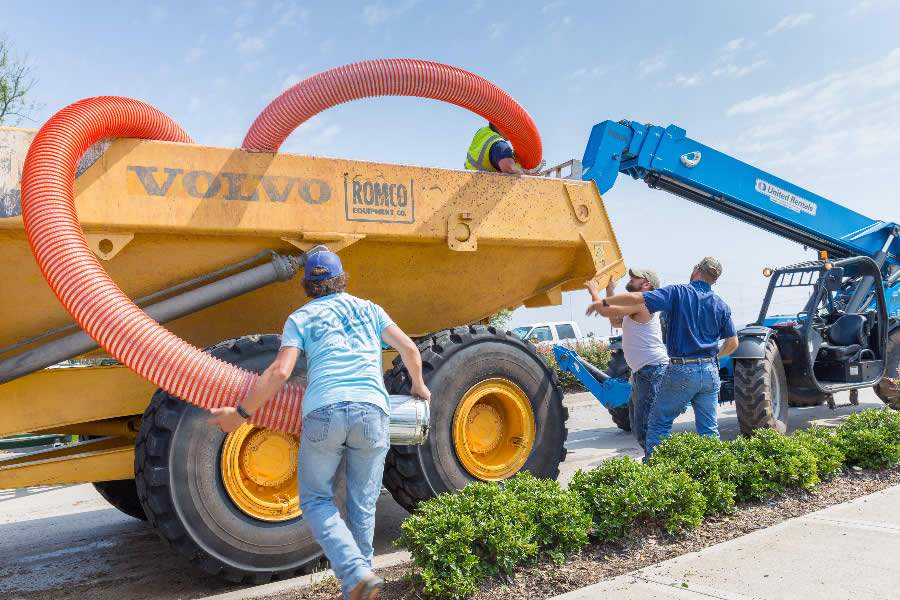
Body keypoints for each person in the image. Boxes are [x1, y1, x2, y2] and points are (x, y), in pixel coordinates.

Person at [208, 249, 430, 600]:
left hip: (326, 411)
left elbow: (280, 372)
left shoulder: (301, 317)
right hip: (373, 412)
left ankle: (355, 574)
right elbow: (410, 350)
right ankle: (359, 584)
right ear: (342, 278)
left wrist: (240, 414)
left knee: (314, 500)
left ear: (307, 285)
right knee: (362, 504)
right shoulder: (370, 309)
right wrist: (418, 386)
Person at [590, 257, 739, 457]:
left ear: (696, 269)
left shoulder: (678, 292)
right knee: (709, 430)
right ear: (715, 280)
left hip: (681, 369)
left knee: (658, 423)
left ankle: (658, 474)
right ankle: (712, 476)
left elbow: (638, 300)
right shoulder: (721, 304)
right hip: (710, 371)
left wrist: (603, 299)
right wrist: (715, 360)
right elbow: (733, 343)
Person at [585, 268, 669, 453]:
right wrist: (610, 289)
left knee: (646, 427)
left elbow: (605, 310)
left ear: (647, 284)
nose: (630, 279)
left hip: (652, 370)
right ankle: (657, 461)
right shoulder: (637, 306)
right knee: (639, 426)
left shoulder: (642, 303)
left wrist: (593, 291)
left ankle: (659, 464)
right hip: (644, 371)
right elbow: (615, 320)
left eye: (635, 277)